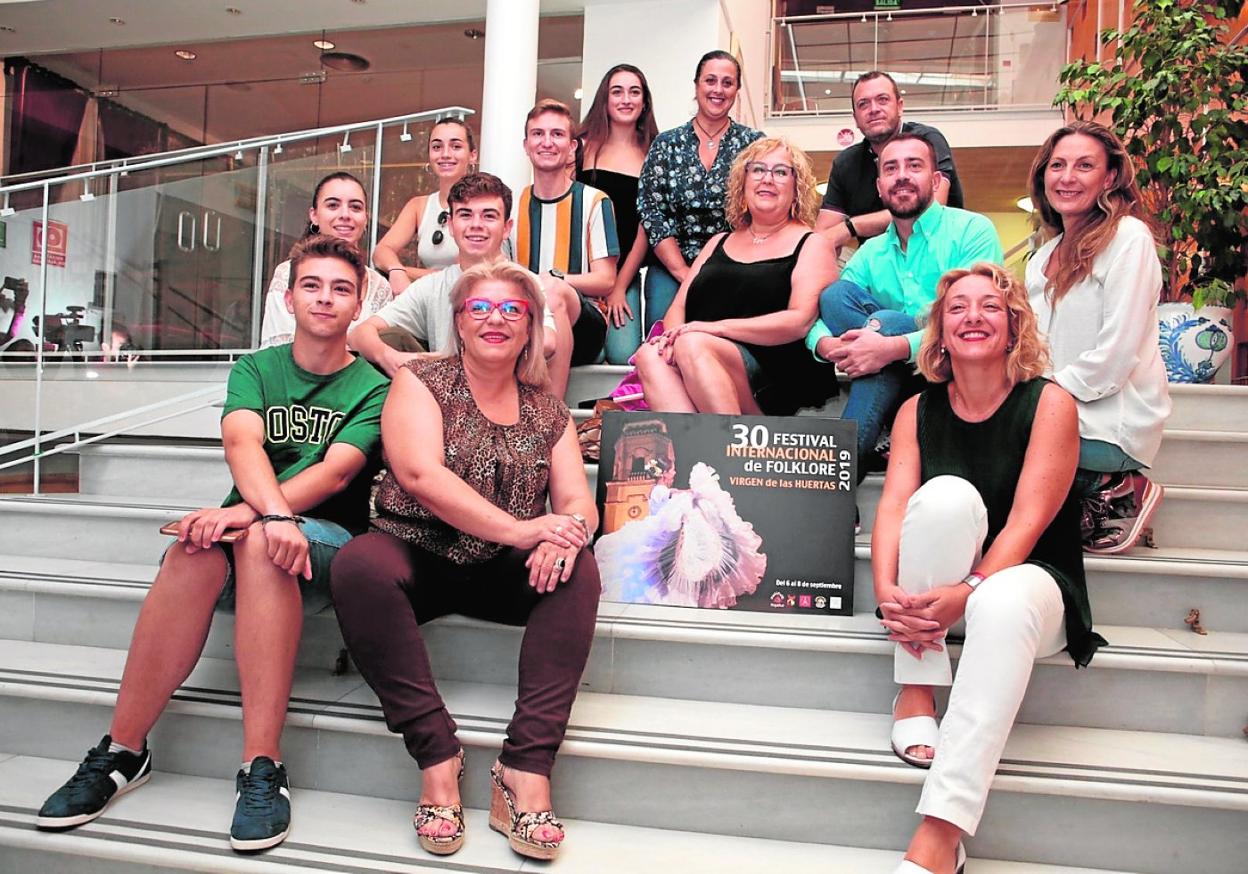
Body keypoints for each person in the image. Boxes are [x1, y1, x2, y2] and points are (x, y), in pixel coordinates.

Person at [35, 235, 389, 851]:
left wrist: (262, 520)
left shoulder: (373, 387)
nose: (326, 299)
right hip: (261, 529)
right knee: (189, 551)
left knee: (254, 544)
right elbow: (241, 446)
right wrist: (262, 518)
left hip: (327, 548)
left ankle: (263, 768)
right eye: (312, 285)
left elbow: (336, 472)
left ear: (358, 305)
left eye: (341, 288)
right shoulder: (256, 368)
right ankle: (122, 750)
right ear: (288, 296)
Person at [330, 260, 599, 862]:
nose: (495, 319)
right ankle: (436, 756)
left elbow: (578, 498)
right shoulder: (422, 381)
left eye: (512, 309)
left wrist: (569, 531)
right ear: (457, 321)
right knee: (356, 565)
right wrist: (526, 528)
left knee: (578, 567)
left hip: (500, 569)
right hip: (416, 552)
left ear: (531, 327)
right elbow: (421, 476)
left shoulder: (548, 411)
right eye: (480, 308)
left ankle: (525, 770)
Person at [874, 262, 1104, 874]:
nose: (973, 316)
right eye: (957, 308)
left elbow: (1029, 522)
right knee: (943, 496)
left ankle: (940, 836)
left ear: (1013, 327)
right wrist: (887, 592)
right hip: (948, 581)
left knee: (999, 602)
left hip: (1035, 583)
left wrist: (972, 589)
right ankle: (916, 685)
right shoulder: (916, 410)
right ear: (940, 333)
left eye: (990, 306)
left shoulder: (1049, 402)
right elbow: (895, 505)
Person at [808, 134, 1003, 477]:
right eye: (891, 168)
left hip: (953, 374)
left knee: (889, 322)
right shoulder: (871, 252)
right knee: (834, 295)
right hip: (896, 377)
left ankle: (837, 477)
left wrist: (892, 346)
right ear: (880, 187)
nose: (902, 176)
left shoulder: (972, 230)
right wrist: (826, 344)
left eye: (914, 166)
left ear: (936, 180)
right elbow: (821, 313)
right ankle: (859, 448)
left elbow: (980, 323)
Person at [1025, 121, 1171, 554]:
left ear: (1109, 178)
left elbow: (1115, 355)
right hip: (1054, 412)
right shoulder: (1042, 257)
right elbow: (1033, 348)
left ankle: (1122, 486)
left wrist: (1038, 397)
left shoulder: (1128, 239)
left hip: (1110, 422)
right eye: (1058, 165)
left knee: (999, 434)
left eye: (1084, 166)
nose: (1067, 177)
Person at [635, 137, 838, 415]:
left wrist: (713, 329)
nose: (767, 179)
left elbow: (799, 321)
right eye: (758, 170)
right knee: (650, 355)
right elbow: (679, 307)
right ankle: (697, 453)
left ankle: (728, 451)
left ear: (796, 189)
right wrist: (670, 338)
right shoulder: (717, 242)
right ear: (742, 184)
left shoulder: (813, 243)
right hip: (696, 355)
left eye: (780, 172)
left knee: (692, 344)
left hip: (773, 375)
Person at [349, 172, 570, 393]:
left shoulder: (523, 282)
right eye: (465, 215)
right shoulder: (432, 286)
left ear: (506, 228)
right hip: (446, 403)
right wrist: (390, 357)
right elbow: (360, 333)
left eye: (489, 216)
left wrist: (453, 357)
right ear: (451, 225)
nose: (476, 225)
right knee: (387, 341)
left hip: (509, 401)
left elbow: (549, 341)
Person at [638, 50, 764, 334]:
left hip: (735, 263)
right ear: (696, 85)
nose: (718, 90)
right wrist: (684, 272)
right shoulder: (666, 144)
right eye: (710, 80)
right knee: (663, 342)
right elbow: (652, 212)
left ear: (737, 90)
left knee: (722, 344)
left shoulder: (754, 145)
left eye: (727, 82)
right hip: (672, 265)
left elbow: (761, 211)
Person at [511, 98, 618, 373]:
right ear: (526, 146)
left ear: (572, 147)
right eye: (538, 134)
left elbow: (605, 280)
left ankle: (553, 412)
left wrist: (554, 279)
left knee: (555, 292)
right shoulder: (513, 203)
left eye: (557, 134)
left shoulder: (595, 201)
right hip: (526, 318)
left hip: (584, 321)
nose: (547, 142)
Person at [815, 72, 964, 255]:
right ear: (855, 119)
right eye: (863, 104)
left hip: (939, 254)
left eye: (883, 99)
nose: (874, 109)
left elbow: (930, 207)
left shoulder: (926, 143)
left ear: (900, 106)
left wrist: (852, 226)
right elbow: (823, 235)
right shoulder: (846, 164)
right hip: (877, 266)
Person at [576, 64, 659, 363]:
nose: (626, 99)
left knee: (623, 354)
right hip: (581, 271)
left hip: (624, 274)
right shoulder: (581, 148)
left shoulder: (654, 152)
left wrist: (619, 286)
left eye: (634, 92)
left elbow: (647, 227)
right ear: (605, 99)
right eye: (617, 91)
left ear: (644, 101)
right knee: (589, 353)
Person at [260, 172, 392, 347]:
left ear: (365, 219)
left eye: (355, 207)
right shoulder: (288, 273)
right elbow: (277, 348)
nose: (345, 214)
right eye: (333, 205)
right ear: (314, 215)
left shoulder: (380, 287)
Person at [373, 116, 478, 291]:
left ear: (472, 155)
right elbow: (381, 251)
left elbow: (466, 271)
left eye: (456, 146)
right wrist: (397, 270)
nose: (445, 154)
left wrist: (411, 272)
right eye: (437, 147)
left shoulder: (483, 206)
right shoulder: (419, 205)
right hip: (429, 299)